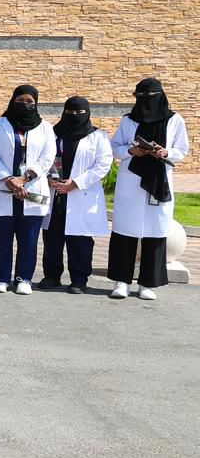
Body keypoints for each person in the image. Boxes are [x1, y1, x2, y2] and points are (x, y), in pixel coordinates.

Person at [107, 78, 190, 300]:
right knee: (125, 232)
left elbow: (182, 149)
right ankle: (121, 281)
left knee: (155, 232)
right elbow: (114, 148)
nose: (146, 102)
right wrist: (131, 151)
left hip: (158, 181)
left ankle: (148, 284)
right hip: (131, 181)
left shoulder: (174, 120)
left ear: (161, 96)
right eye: (141, 98)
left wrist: (166, 153)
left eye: (150, 97)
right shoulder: (128, 121)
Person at [0, 84, 55, 295]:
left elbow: (47, 157)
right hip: (2, 188)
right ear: (13, 100)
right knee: (2, 237)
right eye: (20, 101)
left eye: (30, 102)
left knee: (29, 238)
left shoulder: (45, 128)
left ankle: (24, 278)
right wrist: (8, 179)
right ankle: (1, 277)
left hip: (32, 189)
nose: (25, 105)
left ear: (36, 103)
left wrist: (25, 179)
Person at [41, 96, 113, 294]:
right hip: (55, 192)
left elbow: (103, 164)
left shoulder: (98, 137)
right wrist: (47, 177)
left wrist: (76, 183)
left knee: (80, 240)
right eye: (70, 113)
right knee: (52, 238)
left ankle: (79, 280)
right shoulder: (52, 134)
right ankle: (51, 276)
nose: (74, 116)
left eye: (79, 113)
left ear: (88, 113)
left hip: (81, 194)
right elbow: (42, 157)